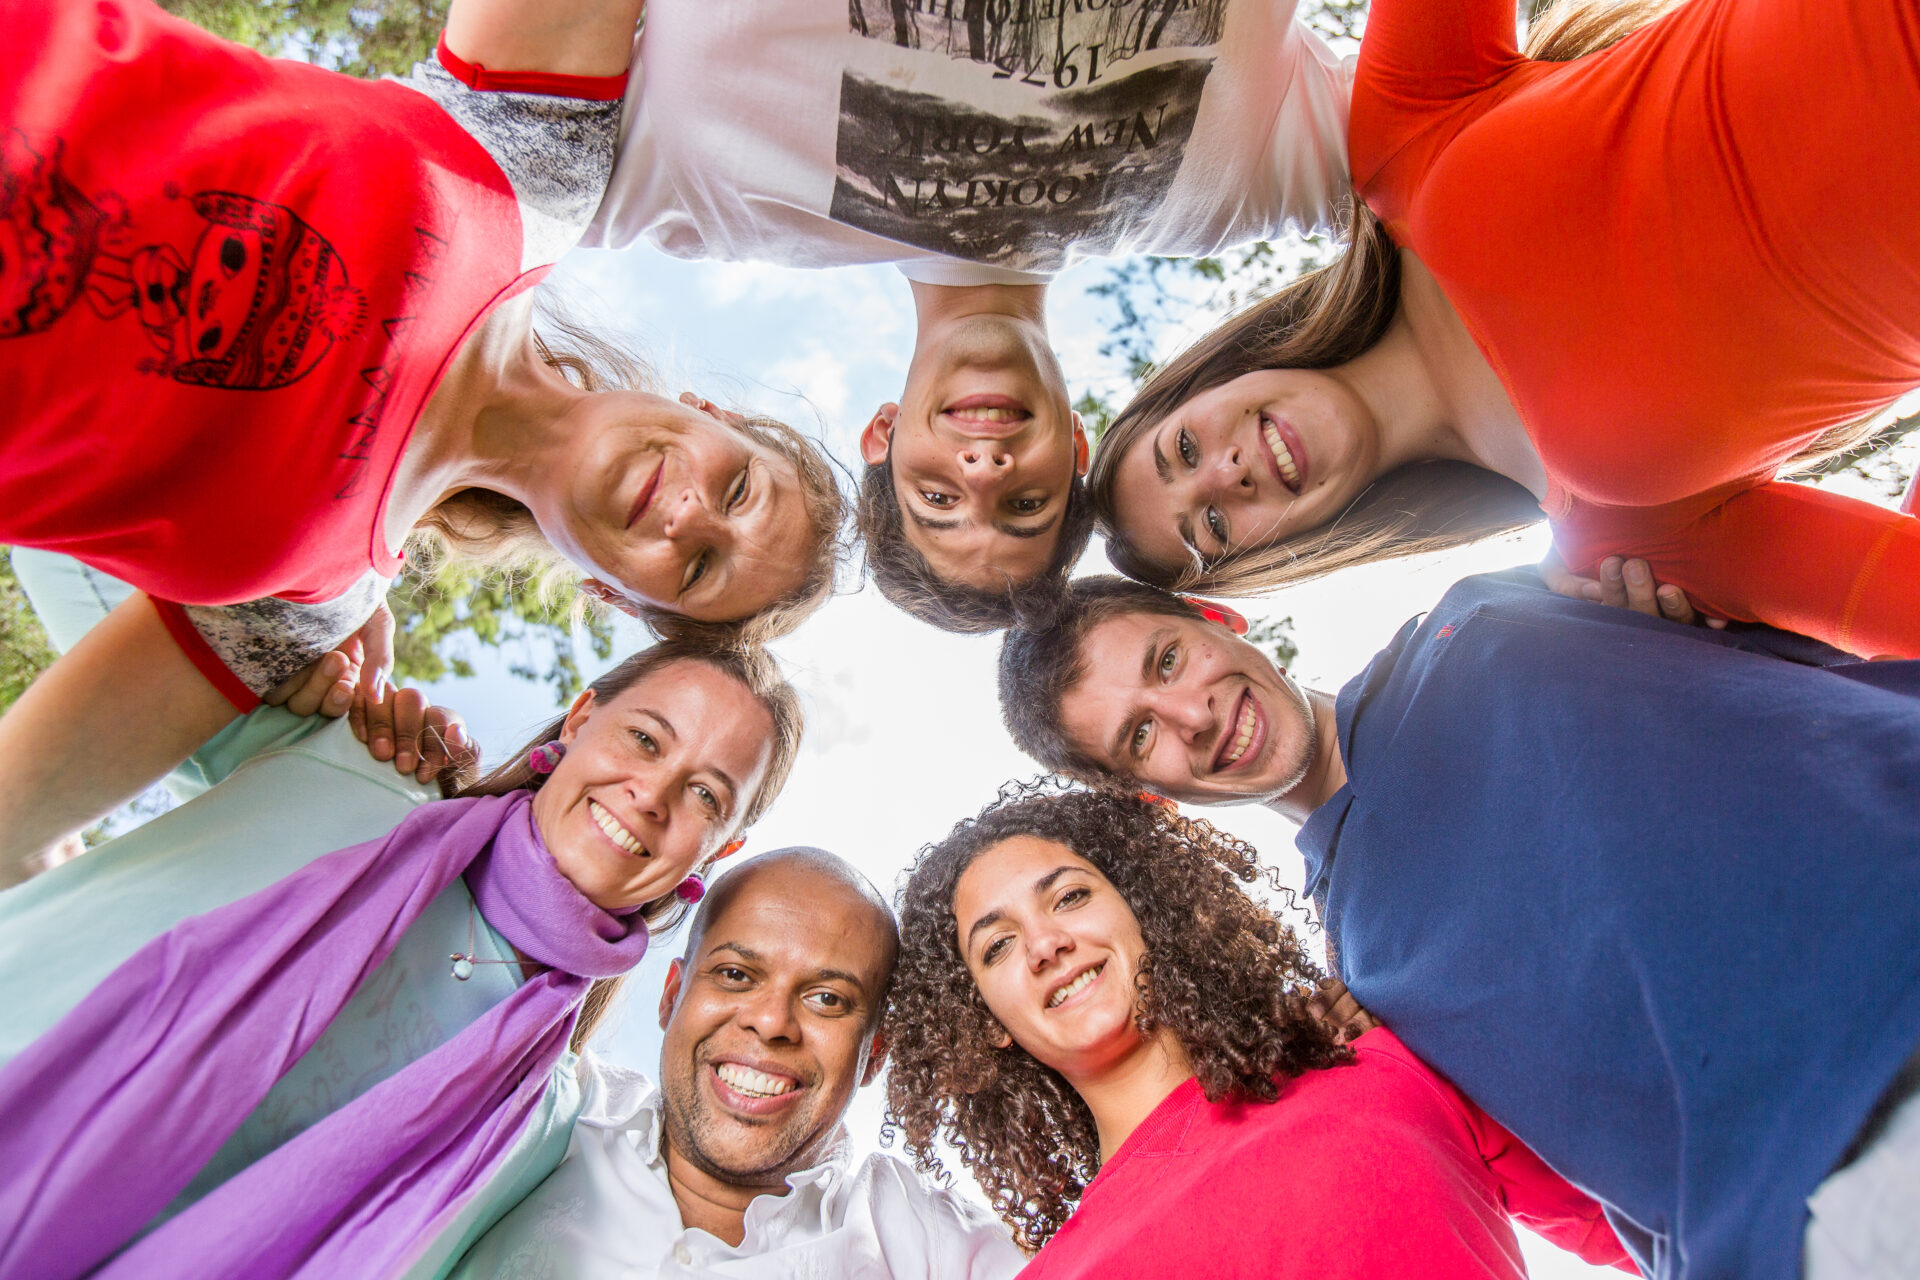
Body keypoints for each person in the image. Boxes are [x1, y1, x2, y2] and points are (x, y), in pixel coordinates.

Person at [0, 0, 846, 865]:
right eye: (740, 488)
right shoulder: (536, 163)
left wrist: (366, 785)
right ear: (712, 413)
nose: (692, 518)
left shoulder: (301, 615)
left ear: (616, 596)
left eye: (699, 568)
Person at [997, 571, 1920, 1278]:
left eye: (1167, 660)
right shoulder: (1362, 981)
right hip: (1806, 1221)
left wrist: (1683, 608)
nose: (1192, 714)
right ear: (1147, 793)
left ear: (1217, 618)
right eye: (1140, 735)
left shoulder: (1487, 619)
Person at [1091, 0, 1920, 659]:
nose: (1224, 475)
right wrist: (1713, 664)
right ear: (1285, 551)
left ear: (1207, 381)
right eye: (1212, 529)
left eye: (1184, 452)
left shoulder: (1394, 140)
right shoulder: (1624, 548)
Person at [0, 637, 803, 1280]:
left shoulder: (543, 1129)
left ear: (719, 847)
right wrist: (319, 623)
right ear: (579, 718)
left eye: (705, 794)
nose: (653, 793)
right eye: (643, 736)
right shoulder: (355, 769)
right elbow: (89, 565)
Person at [581, 0, 1355, 629]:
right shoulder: (1259, 181)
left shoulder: (689, 192)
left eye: (939, 499)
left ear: (883, 432)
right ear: (1077, 445)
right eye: (1026, 504)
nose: (984, 469)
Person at [885, 786, 1630, 1276]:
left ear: (1145, 911)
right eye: (999, 945)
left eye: (1070, 897)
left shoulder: (1379, 1060)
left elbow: (1652, 1219)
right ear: (983, 1025)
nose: (1046, 943)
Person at [451, 846, 1027, 1279]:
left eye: (827, 998)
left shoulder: (926, 1243)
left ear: (873, 1055)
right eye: (735, 975)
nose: (772, 1021)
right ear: (671, 996)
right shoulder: (538, 1116)